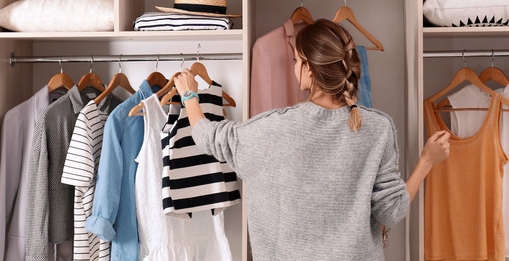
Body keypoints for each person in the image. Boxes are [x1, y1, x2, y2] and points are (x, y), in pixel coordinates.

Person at [173, 19, 450, 260]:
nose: (295, 67)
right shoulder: (378, 128)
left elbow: (209, 137)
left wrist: (189, 96)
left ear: (308, 69)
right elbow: (391, 211)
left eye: (296, 60)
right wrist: (426, 160)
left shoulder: (272, 128)